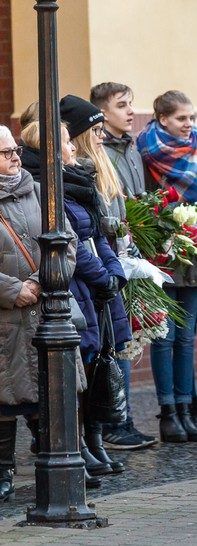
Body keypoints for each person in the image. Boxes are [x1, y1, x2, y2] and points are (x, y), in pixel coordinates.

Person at [22, 115, 130, 484]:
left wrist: (115, 272)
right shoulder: (46, 187)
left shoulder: (79, 181)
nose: (72, 148)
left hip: (98, 285)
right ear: (52, 150)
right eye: (67, 143)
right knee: (77, 367)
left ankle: (94, 440)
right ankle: (75, 446)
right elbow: (65, 242)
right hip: (77, 285)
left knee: (100, 360)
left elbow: (99, 235)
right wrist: (102, 276)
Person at [67, 91, 159, 451]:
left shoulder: (100, 163)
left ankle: (114, 424)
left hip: (111, 267)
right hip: (93, 275)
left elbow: (111, 222)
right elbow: (88, 231)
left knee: (116, 347)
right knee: (99, 354)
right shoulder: (78, 174)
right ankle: (108, 428)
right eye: (96, 129)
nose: (102, 135)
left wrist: (119, 261)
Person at [0, 125, 76, 501]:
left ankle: (58, 464)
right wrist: (13, 291)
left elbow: (68, 244)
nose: (15, 156)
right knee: (4, 398)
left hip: (43, 311)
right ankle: (3, 471)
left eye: (15, 149)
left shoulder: (42, 192)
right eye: (4, 153)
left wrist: (40, 282)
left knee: (45, 396)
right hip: (5, 318)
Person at [136, 90, 197, 443]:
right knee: (163, 337)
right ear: (163, 119)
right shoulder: (146, 151)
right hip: (162, 253)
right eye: (182, 118)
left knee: (185, 337)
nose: (189, 125)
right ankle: (167, 412)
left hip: (195, 251)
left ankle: (185, 407)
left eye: (191, 117)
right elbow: (141, 202)